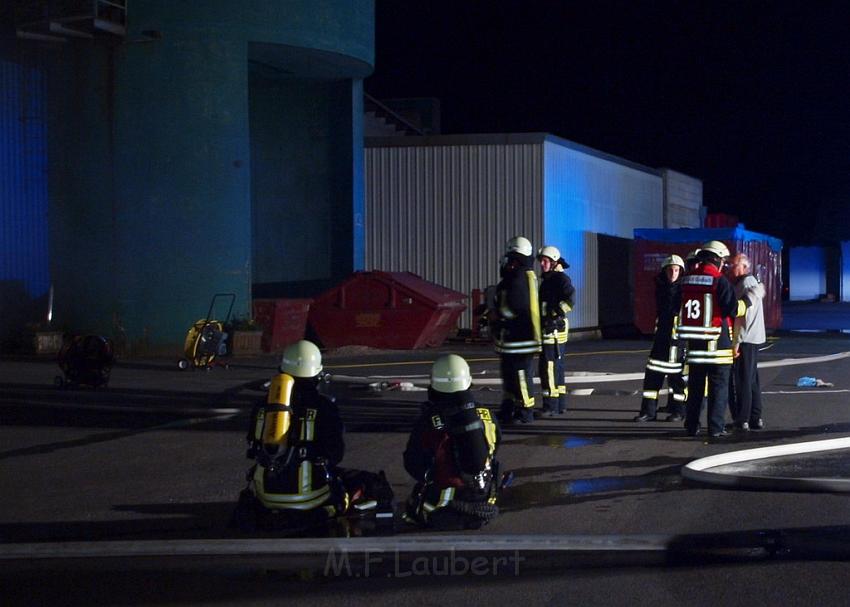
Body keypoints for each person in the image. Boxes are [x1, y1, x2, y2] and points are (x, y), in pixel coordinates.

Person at [235, 340, 392, 530]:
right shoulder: (323, 406)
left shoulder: (263, 406)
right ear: (316, 374)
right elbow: (335, 454)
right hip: (310, 498)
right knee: (365, 482)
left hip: (265, 496)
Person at [403, 354, 502, 529]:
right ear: (468, 381)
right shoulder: (487, 414)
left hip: (439, 511)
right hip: (484, 504)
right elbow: (495, 448)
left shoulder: (430, 419)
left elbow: (413, 463)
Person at [678, 241, 746, 439]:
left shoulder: (686, 280)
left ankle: (691, 425)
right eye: (723, 261)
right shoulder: (719, 281)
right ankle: (716, 428)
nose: (723, 265)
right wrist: (747, 303)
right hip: (717, 345)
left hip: (695, 345)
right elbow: (732, 309)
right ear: (716, 259)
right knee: (719, 388)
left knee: (696, 388)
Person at [493, 236, 542, 425]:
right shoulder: (520, 275)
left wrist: (498, 314)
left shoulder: (519, 276)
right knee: (510, 376)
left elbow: (516, 306)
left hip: (520, 339)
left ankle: (525, 411)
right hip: (514, 339)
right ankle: (509, 407)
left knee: (520, 376)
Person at [634, 254, 687, 422]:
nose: (673, 273)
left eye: (677, 270)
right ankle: (648, 411)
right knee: (652, 376)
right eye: (670, 270)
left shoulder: (683, 291)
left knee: (677, 380)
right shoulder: (661, 288)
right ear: (664, 271)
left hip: (676, 343)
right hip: (660, 341)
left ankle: (679, 411)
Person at [728, 253, 766, 431]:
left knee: (743, 380)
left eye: (734, 265)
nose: (730, 268)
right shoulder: (751, 283)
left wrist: (737, 341)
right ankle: (755, 417)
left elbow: (744, 316)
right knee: (752, 380)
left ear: (744, 267)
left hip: (746, 339)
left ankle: (742, 419)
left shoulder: (745, 284)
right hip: (754, 338)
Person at [537, 245, 576, 416]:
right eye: (541, 261)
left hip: (553, 329)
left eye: (545, 261)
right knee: (557, 367)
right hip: (552, 328)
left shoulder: (560, 279)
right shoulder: (550, 279)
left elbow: (570, 300)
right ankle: (560, 404)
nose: (542, 264)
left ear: (554, 262)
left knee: (549, 367)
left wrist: (555, 316)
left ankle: (550, 406)